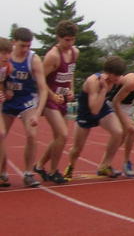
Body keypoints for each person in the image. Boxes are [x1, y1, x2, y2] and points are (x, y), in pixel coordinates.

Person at [64, 56, 126, 179]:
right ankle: (70, 165)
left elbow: (129, 79)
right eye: (117, 76)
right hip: (87, 112)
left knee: (118, 132)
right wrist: (103, 90)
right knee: (77, 148)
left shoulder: (115, 79)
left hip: (102, 107)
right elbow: (94, 110)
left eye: (120, 76)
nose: (119, 79)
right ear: (109, 74)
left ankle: (105, 165)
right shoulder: (94, 81)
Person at [2, 28, 49, 187]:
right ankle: (2, 173)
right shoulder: (5, 57)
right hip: (7, 101)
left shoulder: (33, 59)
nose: (25, 49)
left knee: (31, 134)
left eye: (28, 46)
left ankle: (28, 173)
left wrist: (37, 112)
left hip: (26, 100)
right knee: (1, 136)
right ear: (14, 42)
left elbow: (43, 88)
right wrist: (3, 90)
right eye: (22, 46)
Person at [33, 21, 78, 184]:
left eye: (72, 40)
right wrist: (51, 95)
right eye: (66, 40)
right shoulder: (53, 56)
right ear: (58, 38)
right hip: (50, 100)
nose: (70, 43)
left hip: (63, 99)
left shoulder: (75, 52)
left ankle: (39, 165)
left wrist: (71, 89)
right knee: (63, 135)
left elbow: (70, 73)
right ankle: (53, 171)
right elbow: (39, 80)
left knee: (59, 138)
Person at [0, 38, 14, 187]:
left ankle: (2, 172)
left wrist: (7, 89)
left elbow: (4, 83)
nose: (6, 56)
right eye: (3, 53)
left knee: (1, 134)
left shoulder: (7, 68)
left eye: (8, 53)